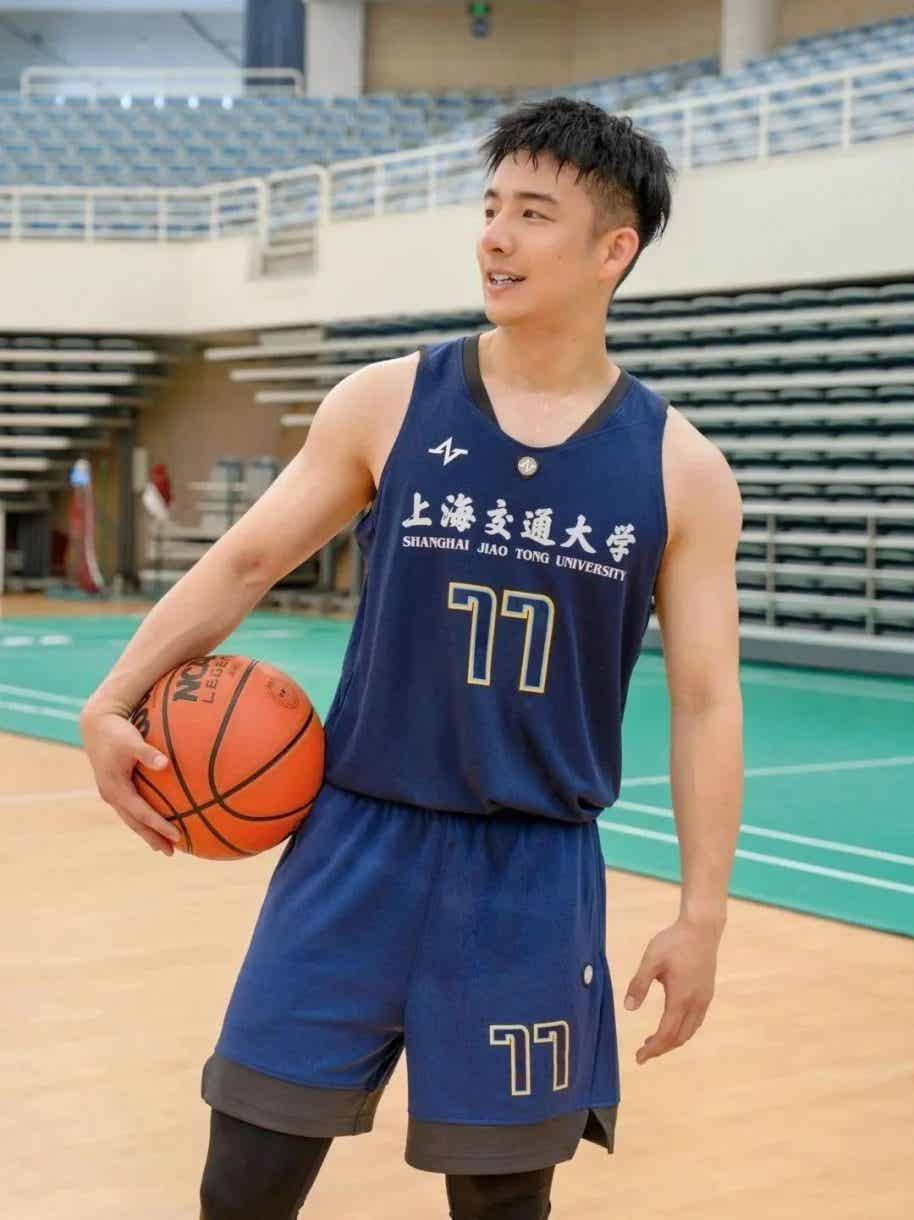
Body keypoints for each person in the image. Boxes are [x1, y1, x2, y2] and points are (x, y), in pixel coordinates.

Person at [80, 97, 744, 1219]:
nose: (494, 237)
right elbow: (246, 561)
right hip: (354, 846)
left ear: (612, 250)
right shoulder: (387, 401)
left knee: (501, 1203)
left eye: (532, 214)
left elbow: (706, 699)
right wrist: (112, 698)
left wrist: (702, 916)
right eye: (489, 208)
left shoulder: (681, 470)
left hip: (530, 877)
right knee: (241, 1185)